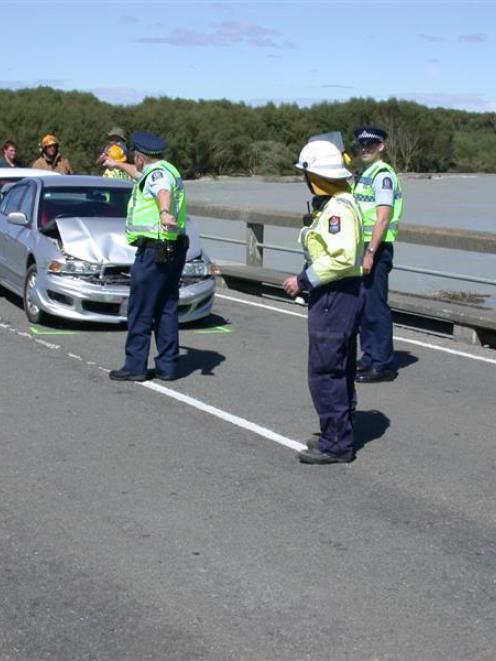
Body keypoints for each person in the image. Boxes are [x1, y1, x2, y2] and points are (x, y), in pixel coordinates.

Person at [283, 139, 363, 465]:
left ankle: (336, 442)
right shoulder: (339, 204)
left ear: (315, 176)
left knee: (326, 369)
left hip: (334, 293)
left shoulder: (338, 210)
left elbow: (341, 258)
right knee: (339, 366)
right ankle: (337, 430)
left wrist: (302, 281)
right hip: (340, 293)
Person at [106, 130, 189, 382]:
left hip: (155, 247)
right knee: (165, 305)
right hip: (172, 246)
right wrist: (116, 163)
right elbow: (140, 176)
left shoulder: (159, 176)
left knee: (141, 307)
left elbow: (161, 190)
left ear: (140, 157)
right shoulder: (165, 169)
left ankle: (135, 366)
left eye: (134, 158)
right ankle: (167, 366)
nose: (134, 162)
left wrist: (164, 212)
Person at [352, 127, 403, 383]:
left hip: (376, 248)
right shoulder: (364, 174)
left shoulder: (382, 176)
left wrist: (370, 252)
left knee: (375, 307)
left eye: (370, 144)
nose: (364, 148)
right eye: (361, 144)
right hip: (362, 247)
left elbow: (382, 218)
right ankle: (369, 356)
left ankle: (382, 365)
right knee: (363, 306)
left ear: (381, 146)